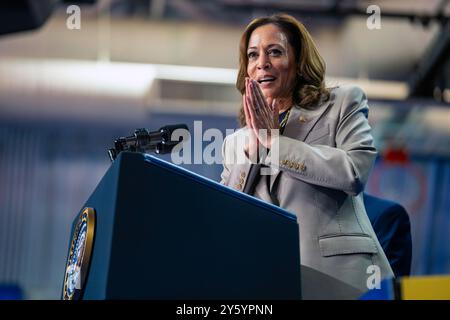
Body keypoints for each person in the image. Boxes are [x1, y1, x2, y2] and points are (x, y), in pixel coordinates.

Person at [220, 13, 394, 297]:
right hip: (270, 282)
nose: (261, 62)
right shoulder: (235, 143)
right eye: (253, 55)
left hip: (343, 279)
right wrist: (253, 149)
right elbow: (225, 214)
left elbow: (353, 172)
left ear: (299, 63)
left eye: (274, 52)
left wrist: (274, 144)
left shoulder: (342, 103)